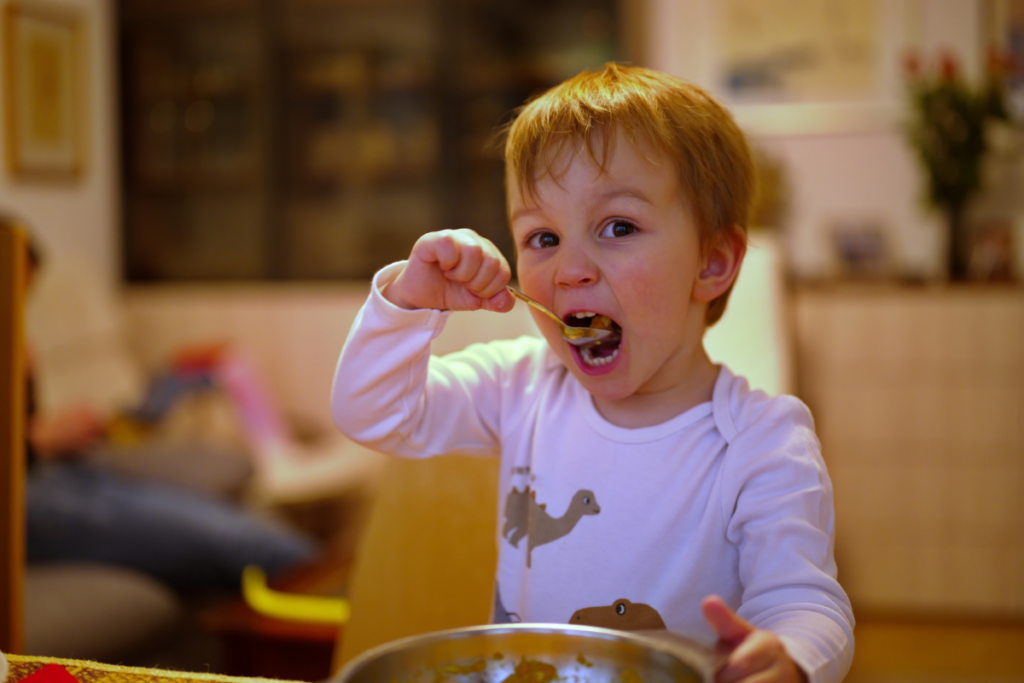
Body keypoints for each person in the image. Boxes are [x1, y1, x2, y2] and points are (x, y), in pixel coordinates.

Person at [330, 64, 853, 683]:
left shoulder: (764, 443)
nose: (570, 268)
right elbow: (373, 412)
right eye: (542, 237)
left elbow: (806, 604)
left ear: (711, 261)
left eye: (618, 227)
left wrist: (788, 657)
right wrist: (408, 303)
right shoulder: (519, 387)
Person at [24, 239, 317, 594]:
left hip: (63, 464)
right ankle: (341, 610)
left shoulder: (18, 343)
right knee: (254, 546)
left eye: (26, 292)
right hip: (30, 495)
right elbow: (31, 443)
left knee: (252, 528)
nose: (22, 303)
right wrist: (36, 440)